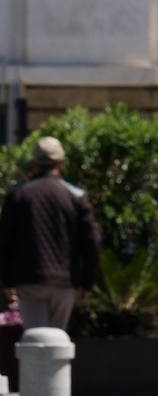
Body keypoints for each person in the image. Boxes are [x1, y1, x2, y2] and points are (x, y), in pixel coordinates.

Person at [0, 137, 101, 330]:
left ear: (34, 163)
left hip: (29, 280)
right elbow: (92, 242)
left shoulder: (19, 195)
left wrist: (8, 280)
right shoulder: (75, 196)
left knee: (36, 339)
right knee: (56, 341)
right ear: (61, 163)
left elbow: (5, 240)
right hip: (65, 281)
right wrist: (87, 282)